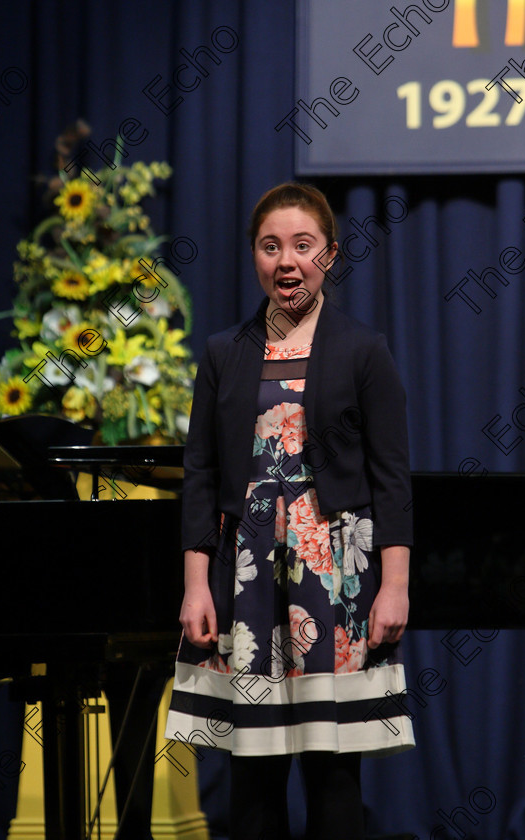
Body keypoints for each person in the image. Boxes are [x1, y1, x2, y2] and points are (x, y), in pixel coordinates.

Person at [165, 182, 415, 840]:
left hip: (336, 582)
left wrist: (396, 585)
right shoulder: (223, 353)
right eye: (271, 246)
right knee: (253, 776)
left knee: (334, 773)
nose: (287, 260)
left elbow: (391, 477)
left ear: (328, 255)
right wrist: (196, 584)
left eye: (303, 246)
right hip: (244, 583)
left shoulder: (365, 350)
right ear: (254, 255)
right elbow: (201, 474)